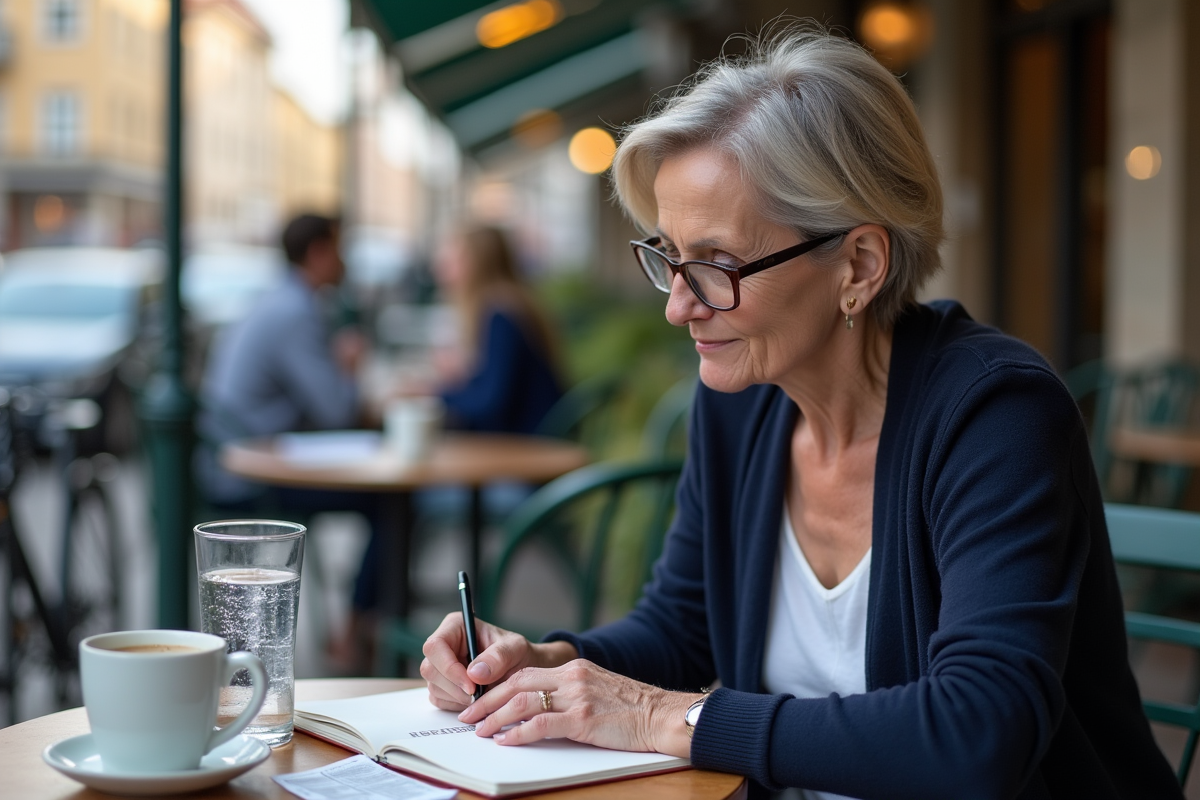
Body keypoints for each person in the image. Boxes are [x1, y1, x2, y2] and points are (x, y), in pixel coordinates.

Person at [419, 26, 1181, 800]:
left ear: (858, 265)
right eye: (668, 258)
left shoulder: (995, 414)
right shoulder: (740, 401)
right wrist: (548, 664)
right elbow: (682, 627)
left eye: (714, 266)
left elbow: (979, 733)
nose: (679, 307)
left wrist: (663, 717)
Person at [195, 213, 382, 660]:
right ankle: (355, 636)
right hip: (248, 479)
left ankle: (359, 630)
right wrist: (350, 364)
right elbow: (337, 409)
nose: (345, 261)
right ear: (318, 252)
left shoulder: (277, 300)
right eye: (340, 249)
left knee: (383, 499)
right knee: (388, 503)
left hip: (235, 458)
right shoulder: (297, 311)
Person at [432, 225, 561, 435]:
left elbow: (491, 404)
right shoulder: (509, 303)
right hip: (529, 433)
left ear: (477, 264)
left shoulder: (501, 315)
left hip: (529, 442)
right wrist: (464, 380)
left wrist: (437, 394)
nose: (442, 270)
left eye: (453, 261)